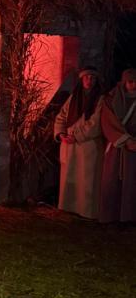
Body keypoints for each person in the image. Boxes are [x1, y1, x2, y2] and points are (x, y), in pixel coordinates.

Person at [53, 66, 104, 219]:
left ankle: (87, 211)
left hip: (87, 146)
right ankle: (69, 207)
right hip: (70, 143)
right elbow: (61, 117)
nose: (89, 80)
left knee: (87, 179)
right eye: (87, 77)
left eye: (93, 78)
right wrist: (61, 134)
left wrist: (78, 136)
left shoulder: (100, 99)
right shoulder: (74, 97)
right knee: (70, 176)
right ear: (82, 80)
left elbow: (95, 123)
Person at [98, 68, 136, 224]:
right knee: (111, 181)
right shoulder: (111, 99)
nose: (133, 85)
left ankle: (129, 217)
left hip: (134, 147)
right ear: (124, 82)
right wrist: (125, 139)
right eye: (131, 81)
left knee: (131, 182)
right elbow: (108, 121)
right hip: (116, 146)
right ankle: (110, 217)